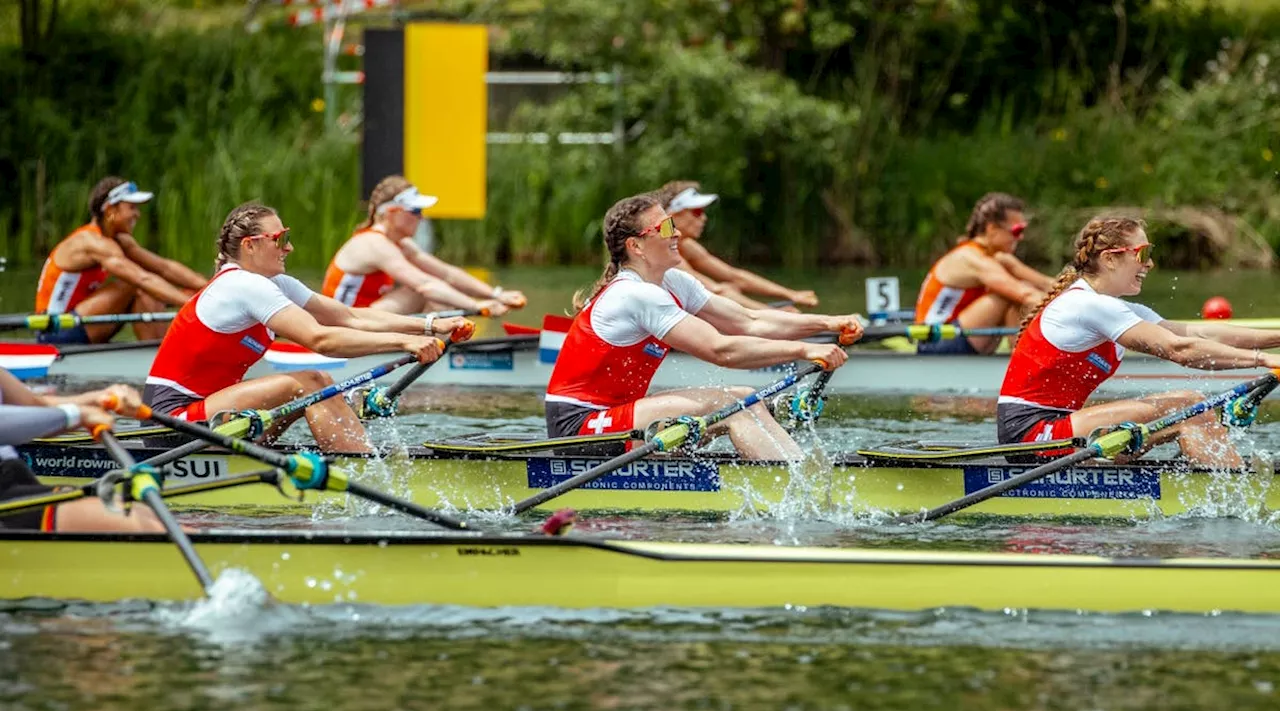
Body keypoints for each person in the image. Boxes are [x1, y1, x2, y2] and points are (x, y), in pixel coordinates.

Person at [544, 193, 863, 462]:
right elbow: (720, 349)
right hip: (578, 427)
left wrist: (828, 323)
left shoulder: (673, 282)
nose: (677, 234)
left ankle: (794, 472)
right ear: (636, 247)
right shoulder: (633, 294)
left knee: (746, 400)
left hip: (620, 414)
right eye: (665, 226)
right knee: (736, 403)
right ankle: (793, 486)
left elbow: (748, 321)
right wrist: (805, 350)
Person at [143, 202, 474, 453]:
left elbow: (348, 316)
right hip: (172, 422)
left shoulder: (276, 283)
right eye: (280, 239)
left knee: (319, 386)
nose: (289, 248)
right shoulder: (242, 285)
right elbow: (322, 339)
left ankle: (360, 462)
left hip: (215, 416)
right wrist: (404, 343)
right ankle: (363, 472)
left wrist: (432, 325)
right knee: (313, 382)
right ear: (250, 245)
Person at [998, 216, 1280, 468]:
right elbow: (1178, 350)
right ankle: (1234, 491)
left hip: (1063, 427)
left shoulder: (1120, 309)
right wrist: (1263, 360)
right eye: (1143, 253)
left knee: (1193, 409)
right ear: (1109, 259)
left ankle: (1222, 482)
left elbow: (1199, 334)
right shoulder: (1086, 305)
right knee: (1190, 405)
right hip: (1032, 434)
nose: (1150, 263)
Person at [34, 176, 209, 344]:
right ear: (111, 210)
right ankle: (160, 354)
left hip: (81, 322)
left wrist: (210, 288)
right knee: (136, 285)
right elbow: (142, 278)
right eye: (132, 207)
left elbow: (164, 268)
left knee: (164, 288)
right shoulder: (90, 242)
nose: (137, 215)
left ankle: (160, 352)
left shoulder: (119, 240)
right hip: (55, 330)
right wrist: (192, 305)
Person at [322, 175, 525, 316]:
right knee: (421, 291)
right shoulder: (374, 243)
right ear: (392, 212)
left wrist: (496, 294)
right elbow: (425, 285)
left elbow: (447, 274)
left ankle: (439, 354)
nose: (421, 217)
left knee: (439, 297)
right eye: (415, 211)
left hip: (366, 320)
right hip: (342, 326)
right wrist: (477, 306)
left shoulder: (402, 244)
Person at [0, 372, 167, 533]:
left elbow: (35, 406)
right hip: (5, 494)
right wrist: (77, 415)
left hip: (13, 479)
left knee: (149, 515)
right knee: (153, 527)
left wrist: (99, 398)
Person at [914, 192, 1054, 354]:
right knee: (1009, 296)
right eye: (1016, 231)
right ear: (992, 229)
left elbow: (1046, 284)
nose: (1021, 237)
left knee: (1021, 294)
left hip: (959, 336)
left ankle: (1021, 360)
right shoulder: (971, 258)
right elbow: (1026, 295)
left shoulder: (997, 258)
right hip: (935, 343)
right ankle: (1024, 362)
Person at [655, 180, 819, 311]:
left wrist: (792, 295)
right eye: (697, 212)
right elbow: (713, 291)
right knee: (726, 291)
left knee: (730, 289)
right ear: (672, 214)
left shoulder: (687, 246)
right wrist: (773, 314)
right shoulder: (661, 248)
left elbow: (735, 276)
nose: (704, 218)